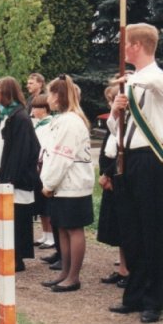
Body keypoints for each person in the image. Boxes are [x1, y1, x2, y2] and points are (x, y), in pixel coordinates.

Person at [106, 23, 163, 323]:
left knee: (152, 231)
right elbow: (116, 132)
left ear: (137, 45)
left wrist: (134, 81)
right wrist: (116, 111)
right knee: (131, 232)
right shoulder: (130, 82)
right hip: (126, 160)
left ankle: (155, 299)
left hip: (151, 161)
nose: (122, 47)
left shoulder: (155, 78)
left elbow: (156, 84)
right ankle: (135, 295)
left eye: (126, 43)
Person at [40, 74, 94, 293]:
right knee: (62, 227)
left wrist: (49, 184)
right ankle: (64, 272)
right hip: (62, 185)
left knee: (73, 228)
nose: (47, 98)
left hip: (72, 184)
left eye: (50, 93)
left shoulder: (71, 122)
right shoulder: (61, 120)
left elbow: (62, 158)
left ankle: (73, 276)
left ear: (58, 95)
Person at [0, 76, 40, 272]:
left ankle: (17, 259)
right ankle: (10, 256)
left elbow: (23, 149)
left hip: (17, 179)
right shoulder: (7, 115)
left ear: (7, 93)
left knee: (17, 221)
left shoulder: (19, 117)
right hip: (6, 175)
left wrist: (10, 177)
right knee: (8, 219)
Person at [97, 84, 129, 288]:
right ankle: (122, 267)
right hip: (110, 177)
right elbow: (107, 149)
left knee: (126, 226)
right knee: (118, 227)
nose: (111, 104)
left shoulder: (126, 125)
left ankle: (129, 270)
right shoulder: (113, 123)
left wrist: (108, 173)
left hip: (118, 176)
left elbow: (122, 152)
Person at [31, 94, 55, 250]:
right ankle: (45, 233)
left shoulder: (49, 124)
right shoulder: (37, 124)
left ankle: (51, 236)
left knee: (47, 204)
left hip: (44, 166)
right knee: (40, 203)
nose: (32, 110)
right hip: (36, 166)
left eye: (35, 107)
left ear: (44, 109)